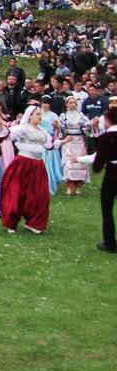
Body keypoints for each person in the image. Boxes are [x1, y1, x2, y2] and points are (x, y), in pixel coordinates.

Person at [0, 106, 53, 234]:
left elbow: (50, 145)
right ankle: (11, 222)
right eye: (37, 114)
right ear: (30, 116)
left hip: (38, 166)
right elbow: (9, 135)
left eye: (41, 114)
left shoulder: (42, 131)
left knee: (40, 194)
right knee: (17, 192)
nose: (40, 116)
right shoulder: (23, 128)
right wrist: (2, 130)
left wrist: (63, 141)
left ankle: (34, 223)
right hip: (23, 164)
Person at [84, 107, 117, 253]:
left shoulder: (106, 137)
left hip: (112, 175)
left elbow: (98, 162)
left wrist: (96, 168)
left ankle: (109, 242)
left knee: (107, 208)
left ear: (108, 120)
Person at [58, 95, 89, 196]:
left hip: (80, 141)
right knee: (69, 163)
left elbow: (87, 127)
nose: (72, 104)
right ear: (66, 104)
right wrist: (58, 127)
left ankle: (79, 188)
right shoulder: (63, 115)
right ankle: (69, 187)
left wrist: (92, 124)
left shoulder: (81, 115)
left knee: (80, 163)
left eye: (74, 103)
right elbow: (60, 130)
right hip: (69, 141)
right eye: (70, 103)